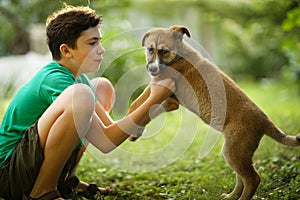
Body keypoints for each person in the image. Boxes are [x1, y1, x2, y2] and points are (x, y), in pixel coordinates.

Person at [0, 4, 176, 200]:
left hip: (28, 164)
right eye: (92, 43)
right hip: (9, 173)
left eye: (99, 42)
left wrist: (156, 106)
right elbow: (105, 142)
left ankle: (67, 179)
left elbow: (112, 131)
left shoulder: (78, 78)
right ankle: (43, 192)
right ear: (66, 50)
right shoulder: (54, 79)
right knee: (82, 95)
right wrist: (156, 96)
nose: (101, 50)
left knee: (101, 87)